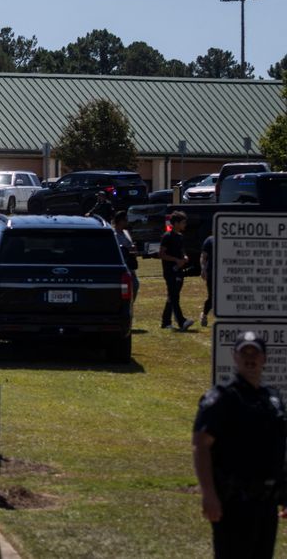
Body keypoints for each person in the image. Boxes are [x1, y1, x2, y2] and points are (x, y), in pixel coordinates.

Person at [193, 331, 287, 558]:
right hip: (233, 502)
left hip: (266, 504)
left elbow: (278, 448)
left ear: (264, 358)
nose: (250, 358)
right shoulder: (222, 398)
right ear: (234, 357)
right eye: (244, 352)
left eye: (255, 353)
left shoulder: (272, 399)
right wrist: (208, 494)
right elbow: (201, 445)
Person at [160, 210, 193, 331]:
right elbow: (161, 254)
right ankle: (181, 321)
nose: (185, 225)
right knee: (174, 296)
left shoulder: (180, 237)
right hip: (170, 271)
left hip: (179, 270)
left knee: (172, 296)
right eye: (183, 222)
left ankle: (165, 321)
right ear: (176, 223)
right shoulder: (167, 236)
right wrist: (175, 260)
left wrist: (184, 257)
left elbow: (182, 250)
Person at [112, 210, 139, 301]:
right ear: (120, 221)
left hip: (130, 263)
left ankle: (129, 304)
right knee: (125, 286)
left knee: (135, 284)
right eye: (125, 220)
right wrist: (127, 249)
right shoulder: (113, 234)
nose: (127, 222)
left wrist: (133, 248)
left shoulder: (126, 232)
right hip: (121, 265)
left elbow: (130, 245)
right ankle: (124, 304)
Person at [200, 234, 215, 327]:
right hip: (212, 272)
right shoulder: (210, 240)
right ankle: (204, 315)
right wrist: (203, 269)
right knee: (212, 297)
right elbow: (203, 256)